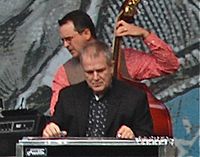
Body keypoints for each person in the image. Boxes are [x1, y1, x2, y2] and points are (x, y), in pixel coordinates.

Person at [50, 9, 179, 115]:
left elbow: (169, 65)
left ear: (86, 33)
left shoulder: (126, 59)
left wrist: (145, 34)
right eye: (63, 41)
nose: (66, 45)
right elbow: (57, 112)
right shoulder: (65, 73)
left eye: (69, 39)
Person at [43, 40, 153, 139]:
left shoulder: (134, 98)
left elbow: (147, 135)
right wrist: (50, 130)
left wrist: (133, 135)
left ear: (111, 67)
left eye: (100, 71)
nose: (95, 78)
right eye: (89, 72)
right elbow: (55, 126)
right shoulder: (68, 96)